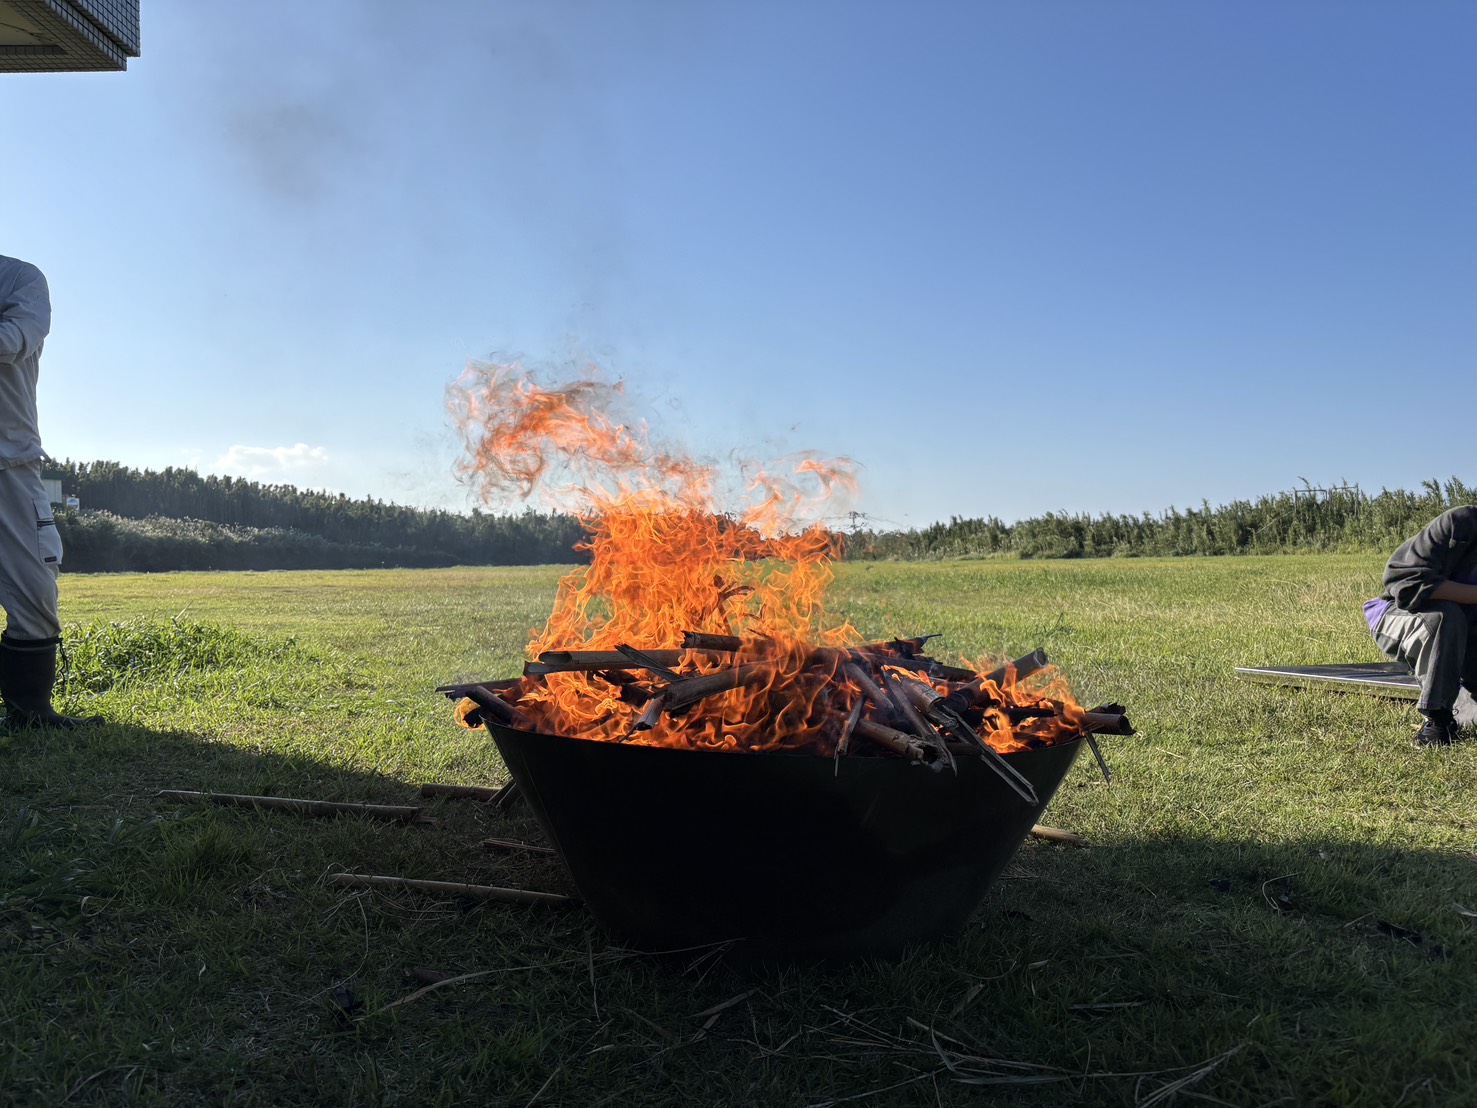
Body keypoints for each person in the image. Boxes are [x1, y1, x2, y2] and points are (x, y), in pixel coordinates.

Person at [0, 253, 97, 729]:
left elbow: (13, 340)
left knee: (35, 588)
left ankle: (29, 712)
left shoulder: (20, 278)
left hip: (10, 464)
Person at [1364, 505, 1477, 747]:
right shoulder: (1461, 523)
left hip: (1462, 634)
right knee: (1446, 616)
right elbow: (1407, 585)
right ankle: (1438, 716)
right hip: (1400, 614)